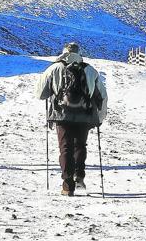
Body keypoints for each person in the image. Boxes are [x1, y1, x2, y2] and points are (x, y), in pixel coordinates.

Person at [35, 42, 108, 196]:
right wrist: (99, 118)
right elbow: (102, 96)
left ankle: (68, 186)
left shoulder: (54, 69)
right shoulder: (90, 70)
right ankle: (79, 175)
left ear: (64, 52)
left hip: (62, 114)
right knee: (80, 145)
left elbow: (40, 94)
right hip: (85, 114)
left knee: (65, 148)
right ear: (79, 53)